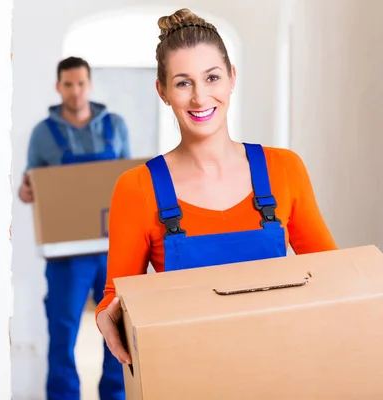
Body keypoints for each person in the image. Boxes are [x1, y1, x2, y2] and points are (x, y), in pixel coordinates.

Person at [95, 8, 338, 365]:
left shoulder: (283, 169)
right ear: (162, 91)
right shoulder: (137, 188)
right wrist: (107, 318)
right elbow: (116, 297)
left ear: (231, 78)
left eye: (211, 78)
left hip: (280, 369)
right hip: (187, 373)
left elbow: (331, 278)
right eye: (182, 82)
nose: (199, 98)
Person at [19, 56, 128, 400]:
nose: (76, 91)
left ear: (89, 84)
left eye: (81, 83)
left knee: (119, 333)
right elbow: (29, 186)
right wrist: (25, 191)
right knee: (62, 333)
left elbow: (128, 182)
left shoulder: (115, 126)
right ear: (58, 87)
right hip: (66, 256)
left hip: (114, 250)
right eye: (68, 84)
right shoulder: (43, 133)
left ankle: (116, 395)